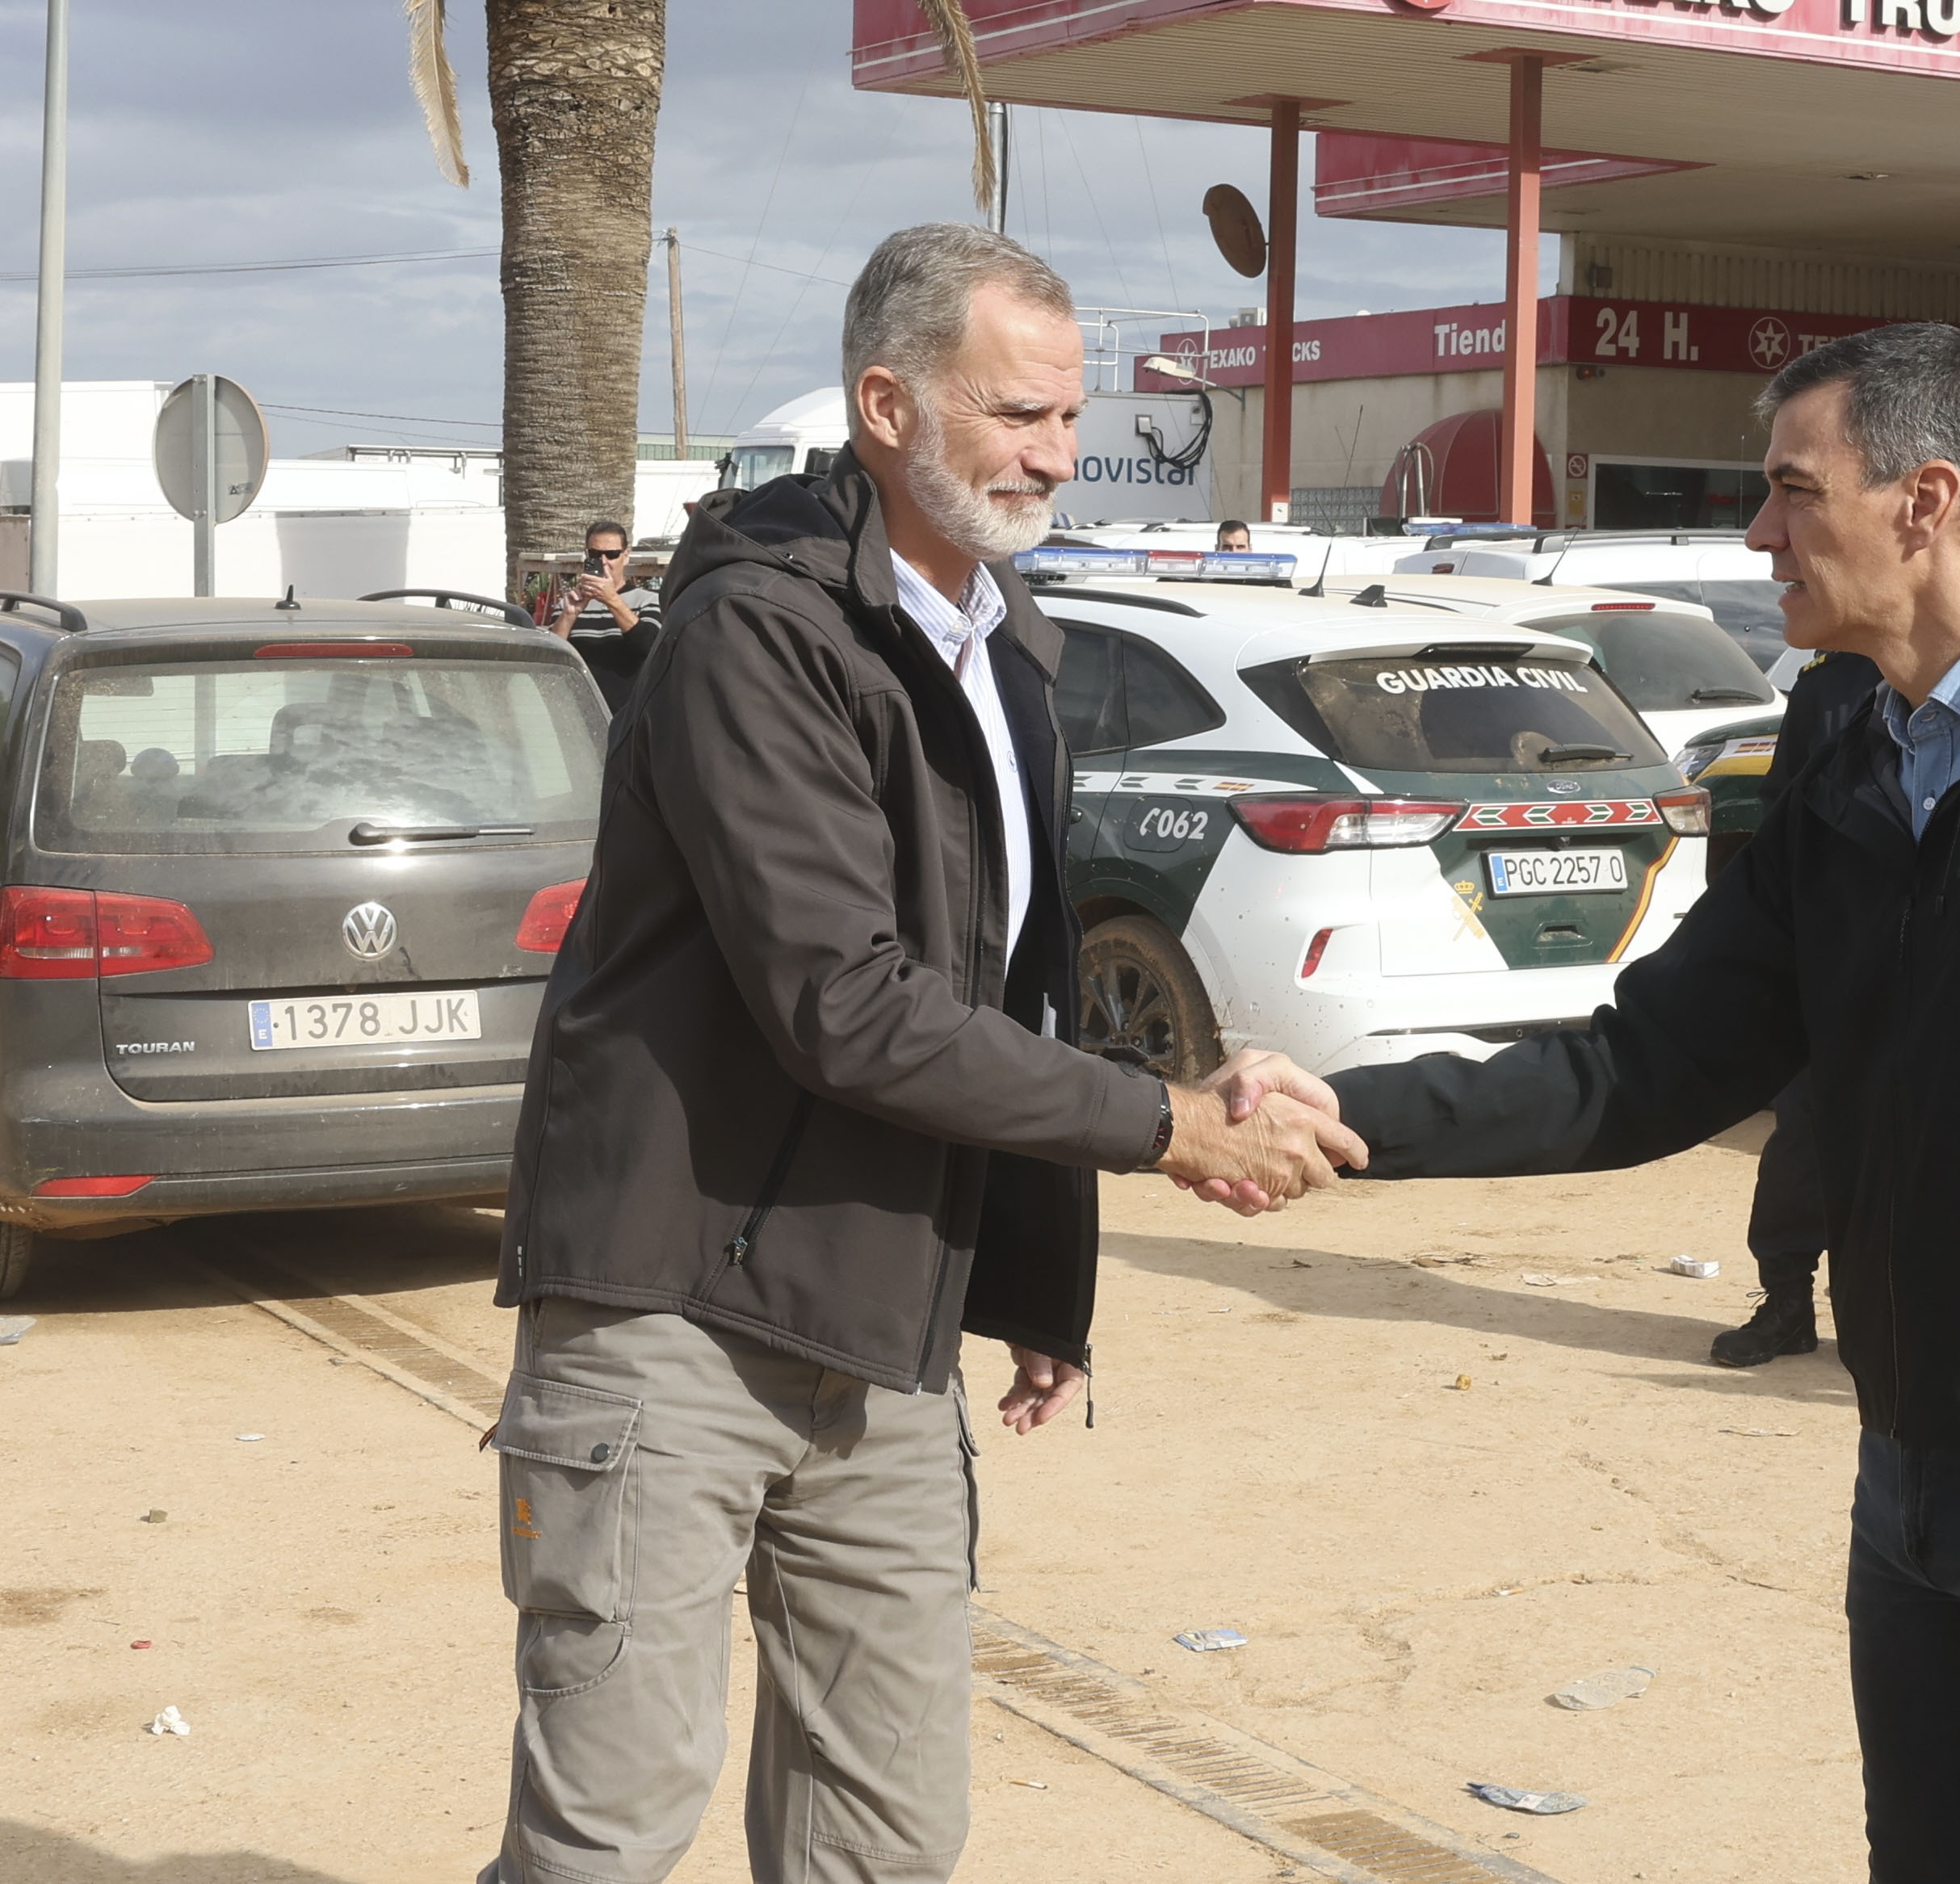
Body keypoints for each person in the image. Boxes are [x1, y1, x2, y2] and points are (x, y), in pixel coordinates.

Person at [1270, 322, 1960, 1882]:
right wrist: (1350, 1115)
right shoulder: (1844, 735)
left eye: (1789, 491)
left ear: (1923, 500)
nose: (1757, 533)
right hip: (1906, 1474)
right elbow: (1650, 1061)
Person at [481, 223, 1360, 1884]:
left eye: (1065, 417)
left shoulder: (1002, 638)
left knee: (884, 1834)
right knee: (604, 1829)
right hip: (672, 1311)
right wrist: (1165, 1126)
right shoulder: (761, 633)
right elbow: (847, 1001)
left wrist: (1032, 1272)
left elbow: (1006, 986)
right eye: (1016, 412)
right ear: (886, 403)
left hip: (883, 1327)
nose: (1053, 453)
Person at [1712, 642, 1875, 1368]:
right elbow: (1785, 814)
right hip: (1836, 949)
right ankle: (1784, 1302)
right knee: (1803, 1135)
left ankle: (1885, 1318)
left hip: (1944, 951)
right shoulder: (1830, 687)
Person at [550, 519, 657, 712]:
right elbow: (549, 656)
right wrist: (568, 616)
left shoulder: (647, 601)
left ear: (626, 556)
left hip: (630, 718)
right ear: (586, 555)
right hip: (578, 715)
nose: (604, 561)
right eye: (595, 554)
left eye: (612, 554)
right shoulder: (569, 604)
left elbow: (649, 647)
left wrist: (611, 600)